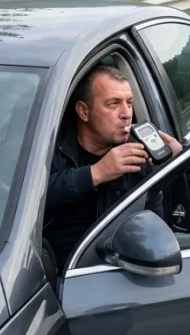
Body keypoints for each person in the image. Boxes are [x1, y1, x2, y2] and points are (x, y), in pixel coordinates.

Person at [43, 64, 182, 271]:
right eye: (113, 104)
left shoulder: (141, 158)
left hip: (120, 273)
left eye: (129, 103)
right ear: (83, 111)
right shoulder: (46, 150)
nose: (126, 114)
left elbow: (155, 236)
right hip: (51, 276)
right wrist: (96, 173)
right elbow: (26, 203)